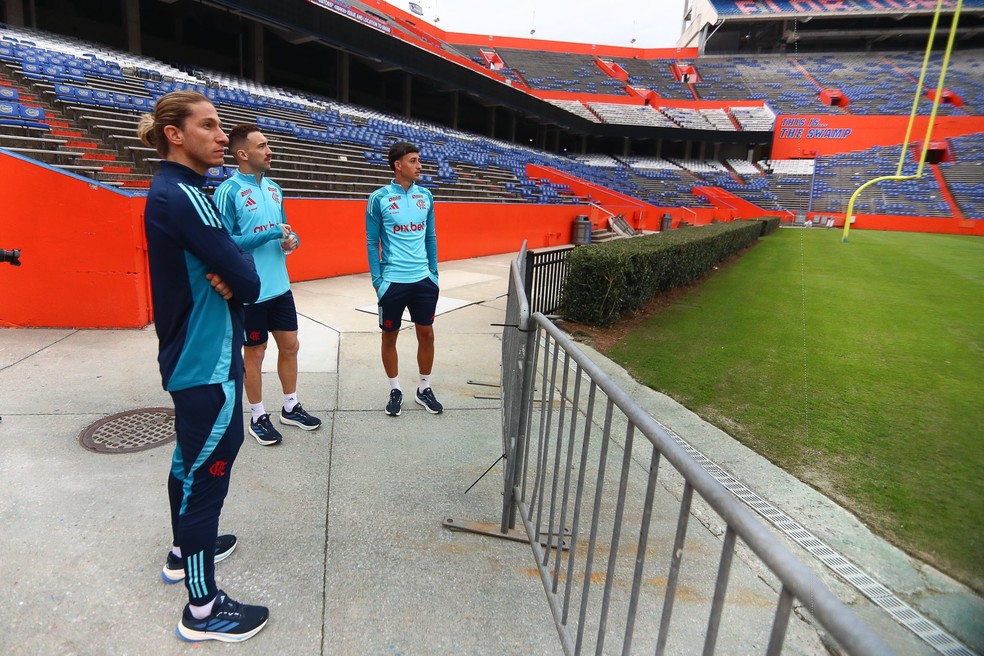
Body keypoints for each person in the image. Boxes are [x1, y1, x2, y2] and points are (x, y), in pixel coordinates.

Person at [138, 91, 269, 643]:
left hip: (197, 355)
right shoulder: (182, 195)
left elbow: (231, 260)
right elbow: (249, 278)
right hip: (205, 362)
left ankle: (179, 550)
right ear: (175, 134)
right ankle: (202, 608)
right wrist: (235, 277)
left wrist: (231, 270)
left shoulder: (187, 189)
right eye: (209, 126)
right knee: (206, 479)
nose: (222, 136)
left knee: (188, 462)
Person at [213, 124, 322, 446]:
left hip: (280, 287)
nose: (269, 151)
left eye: (268, 145)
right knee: (255, 354)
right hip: (250, 291)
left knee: (291, 347)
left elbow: (285, 229)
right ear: (242, 154)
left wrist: (292, 239)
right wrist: (271, 233)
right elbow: (225, 242)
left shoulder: (274, 188)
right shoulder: (228, 191)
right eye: (262, 146)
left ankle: (290, 406)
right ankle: (258, 415)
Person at [365, 141, 443, 417]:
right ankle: (395, 388)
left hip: (423, 281)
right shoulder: (379, 198)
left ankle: (424, 388)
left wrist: (434, 273)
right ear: (398, 165)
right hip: (393, 282)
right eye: (413, 160)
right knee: (390, 337)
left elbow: (430, 237)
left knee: (427, 334)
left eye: (419, 160)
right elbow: (372, 241)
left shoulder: (426, 196)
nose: (419, 165)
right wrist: (378, 281)